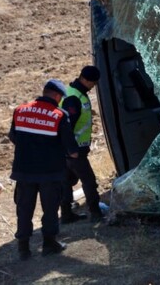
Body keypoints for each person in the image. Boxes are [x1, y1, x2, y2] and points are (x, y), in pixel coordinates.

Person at [9, 79, 79, 260]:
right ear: (57, 96)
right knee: (50, 208)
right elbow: (72, 151)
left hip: (24, 171)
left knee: (24, 208)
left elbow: (13, 136)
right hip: (50, 172)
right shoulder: (59, 115)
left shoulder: (20, 110)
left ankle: (23, 248)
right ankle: (49, 244)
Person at [60, 65, 103, 223]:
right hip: (74, 151)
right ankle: (96, 213)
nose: (94, 86)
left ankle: (66, 215)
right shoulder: (74, 98)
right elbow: (67, 126)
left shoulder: (72, 93)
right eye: (93, 82)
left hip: (67, 150)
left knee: (66, 182)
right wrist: (72, 150)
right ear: (84, 79)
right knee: (89, 182)